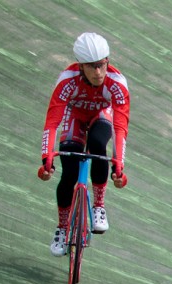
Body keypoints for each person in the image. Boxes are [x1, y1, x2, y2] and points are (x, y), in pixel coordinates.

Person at [38, 32, 130, 256]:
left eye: (102, 65)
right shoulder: (67, 80)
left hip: (101, 114)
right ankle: (61, 228)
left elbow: (120, 127)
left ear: (107, 61)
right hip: (75, 115)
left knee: (98, 144)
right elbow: (52, 121)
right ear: (81, 66)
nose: (98, 72)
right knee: (68, 172)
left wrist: (119, 165)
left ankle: (98, 205)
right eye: (92, 67)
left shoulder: (117, 83)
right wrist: (46, 157)